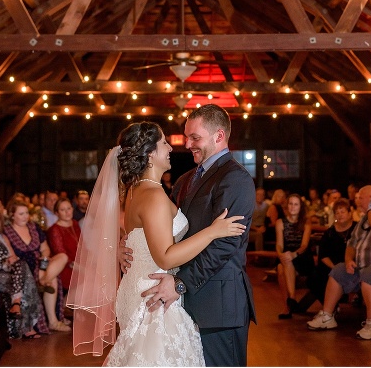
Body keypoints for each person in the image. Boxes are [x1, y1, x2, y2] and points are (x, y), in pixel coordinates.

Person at [67, 120, 246, 366]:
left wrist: (124, 243)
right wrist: (213, 231)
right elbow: (165, 256)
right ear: (150, 154)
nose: (172, 148)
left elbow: (144, 235)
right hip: (154, 294)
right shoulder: (153, 195)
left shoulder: (134, 192)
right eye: (164, 143)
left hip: (141, 287)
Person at [138, 104, 257, 366]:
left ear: (219, 136)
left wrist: (180, 283)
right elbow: (164, 229)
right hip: (185, 304)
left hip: (219, 304)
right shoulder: (184, 180)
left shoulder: (235, 179)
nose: (187, 144)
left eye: (195, 137)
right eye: (187, 136)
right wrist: (131, 248)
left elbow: (224, 246)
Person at [307, 185, 371, 339]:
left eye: (361, 198)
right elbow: (351, 243)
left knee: (369, 274)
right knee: (338, 270)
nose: (357, 201)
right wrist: (348, 259)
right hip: (359, 265)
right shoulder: (363, 219)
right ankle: (327, 316)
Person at [3, 200, 71, 333]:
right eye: (21, 214)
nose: (25, 216)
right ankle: (53, 321)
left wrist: (44, 261)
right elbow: (11, 257)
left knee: (62, 257)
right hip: (22, 267)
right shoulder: (7, 232)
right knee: (53, 280)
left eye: (27, 213)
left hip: (40, 264)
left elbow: (45, 249)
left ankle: (43, 280)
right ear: (12, 215)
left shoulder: (34, 227)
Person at [0, 205, 42, 340]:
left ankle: (16, 303)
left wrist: (9, 261)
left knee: (21, 265)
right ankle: (24, 323)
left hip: (8, 274)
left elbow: (12, 257)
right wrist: (5, 263)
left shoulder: (0, 237)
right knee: (23, 278)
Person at [297, 198, 355, 314]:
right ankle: (330, 306)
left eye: (343, 212)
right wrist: (334, 268)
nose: (340, 215)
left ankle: (331, 306)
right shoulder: (329, 232)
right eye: (337, 212)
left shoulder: (357, 229)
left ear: (349, 213)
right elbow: (323, 255)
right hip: (331, 265)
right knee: (314, 278)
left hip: (352, 265)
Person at [275, 194, 315, 319]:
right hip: (287, 256)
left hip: (302, 256)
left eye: (296, 204)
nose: (293, 207)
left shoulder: (306, 222)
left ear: (300, 207)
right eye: (291, 203)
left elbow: (304, 245)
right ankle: (289, 303)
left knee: (285, 264)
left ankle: (290, 301)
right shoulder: (280, 222)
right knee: (282, 267)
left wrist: (293, 254)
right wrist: (280, 254)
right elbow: (279, 244)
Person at [47, 198, 81, 290]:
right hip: (66, 267)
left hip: (79, 262)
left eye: (69, 208)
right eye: (62, 210)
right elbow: (61, 254)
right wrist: (81, 268)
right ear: (57, 213)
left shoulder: (74, 223)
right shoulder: (55, 230)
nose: (67, 212)